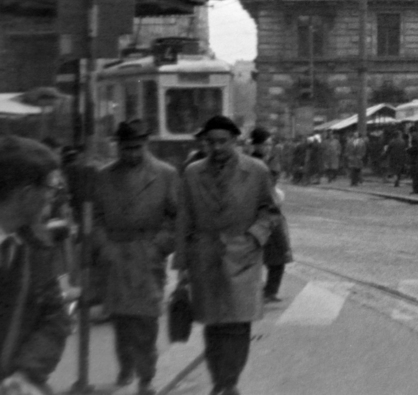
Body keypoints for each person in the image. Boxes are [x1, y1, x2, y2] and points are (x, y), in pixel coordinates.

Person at [173, 115, 277, 395]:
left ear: (235, 142)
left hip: (242, 256)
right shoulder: (193, 173)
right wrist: (181, 264)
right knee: (213, 324)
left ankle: (229, 382)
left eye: (222, 142)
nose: (217, 147)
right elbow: (184, 218)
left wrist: (254, 237)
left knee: (238, 324)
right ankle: (219, 380)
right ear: (204, 144)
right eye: (210, 142)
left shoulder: (256, 171)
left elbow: (270, 211)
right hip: (204, 255)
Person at [91, 120, 179, 395]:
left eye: (137, 148)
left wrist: (159, 246)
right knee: (121, 319)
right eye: (126, 148)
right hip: (115, 255)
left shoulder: (165, 174)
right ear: (118, 147)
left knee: (147, 319)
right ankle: (125, 364)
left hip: (148, 255)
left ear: (146, 145)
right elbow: (94, 219)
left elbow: (176, 218)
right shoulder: (103, 176)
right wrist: (104, 247)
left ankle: (146, 376)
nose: (131, 154)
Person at [0, 136, 70, 394]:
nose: (54, 196)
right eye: (51, 187)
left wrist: (26, 374)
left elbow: (55, 317)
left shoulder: (37, 247)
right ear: (26, 194)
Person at [246, 128, 292, 304]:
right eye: (265, 144)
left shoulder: (271, 160)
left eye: (269, 144)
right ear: (256, 144)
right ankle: (255, 290)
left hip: (272, 212)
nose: (268, 147)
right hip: (255, 213)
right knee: (253, 254)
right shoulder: (250, 163)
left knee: (279, 253)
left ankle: (270, 291)